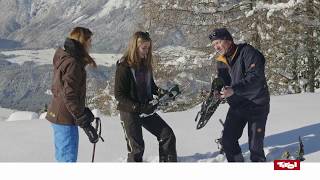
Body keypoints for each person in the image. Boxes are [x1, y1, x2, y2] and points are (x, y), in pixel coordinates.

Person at [208, 28, 270, 162]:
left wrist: (234, 89)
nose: (216, 47)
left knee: (255, 147)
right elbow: (224, 81)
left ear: (228, 40)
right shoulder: (221, 60)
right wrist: (219, 92)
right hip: (238, 105)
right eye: (214, 45)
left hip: (257, 104)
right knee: (228, 141)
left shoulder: (248, 52)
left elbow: (256, 77)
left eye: (218, 42)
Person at [114, 31, 177, 162]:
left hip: (146, 108)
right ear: (134, 47)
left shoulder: (145, 64)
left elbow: (151, 86)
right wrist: (140, 107)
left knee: (167, 135)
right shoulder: (124, 66)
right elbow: (119, 95)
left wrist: (164, 93)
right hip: (130, 111)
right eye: (144, 48)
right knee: (137, 149)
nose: (147, 51)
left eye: (148, 48)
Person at [46, 27, 99, 162]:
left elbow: (64, 90)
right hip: (65, 118)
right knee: (68, 159)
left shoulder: (66, 58)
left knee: (63, 156)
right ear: (83, 42)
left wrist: (82, 110)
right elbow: (69, 94)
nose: (91, 45)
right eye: (89, 41)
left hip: (60, 115)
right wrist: (83, 120)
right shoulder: (74, 63)